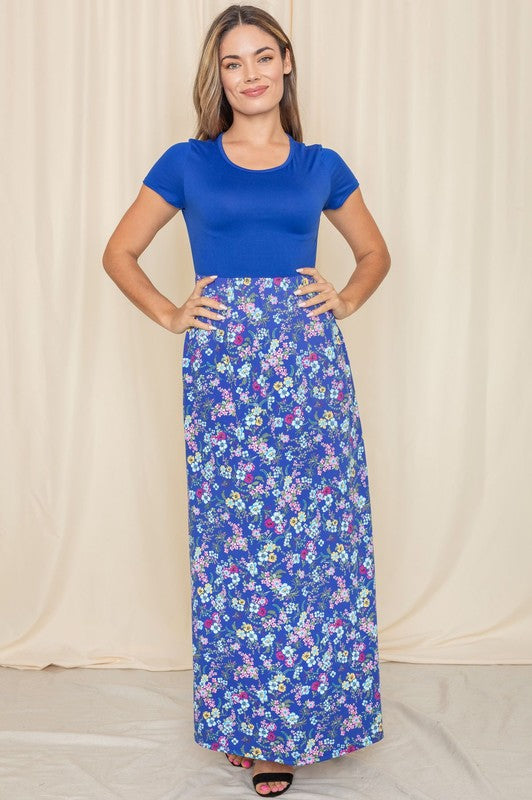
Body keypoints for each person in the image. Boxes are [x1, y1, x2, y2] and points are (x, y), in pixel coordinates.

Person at [102, 4, 391, 797]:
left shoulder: (320, 164)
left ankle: (322, 718)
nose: (252, 74)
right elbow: (120, 251)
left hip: (308, 368)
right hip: (225, 375)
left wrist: (348, 298)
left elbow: (374, 252)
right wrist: (169, 312)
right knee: (238, 550)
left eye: (264, 57)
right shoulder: (187, 162)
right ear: (218, 76)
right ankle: (254, 728)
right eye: (234, 63)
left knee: (317, 545)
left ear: (287, 63)